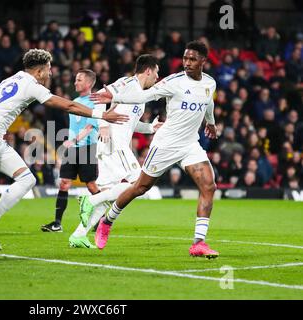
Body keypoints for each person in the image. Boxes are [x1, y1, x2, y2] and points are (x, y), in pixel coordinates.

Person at [0, 49, 128, 251]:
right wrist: (101, 116)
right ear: (39, 70)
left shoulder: (11, 79)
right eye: (48, 70)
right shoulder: (32, 85)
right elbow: (67, 106)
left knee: (27, 179)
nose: (50, 74)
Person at [90, 41, 219, 259]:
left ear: (203, 61)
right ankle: (107, 220)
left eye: (192, 59)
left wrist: (211, 122)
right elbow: (144, 96)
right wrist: (115, 97)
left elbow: (208, 104)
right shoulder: (174, 82)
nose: (186, 63)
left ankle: (198, 243)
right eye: (185, 58)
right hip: (166, 144)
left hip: (189, 144)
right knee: (140, 187)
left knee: (209, 185)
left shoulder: (210, 83)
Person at [70, 54, 163, 248]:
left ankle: (78, 235)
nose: (157, 77)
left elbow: (132, 124)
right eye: (156, 72)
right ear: (148, 70)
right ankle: (91, 199)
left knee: (109, 196)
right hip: (113, 143)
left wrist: (150, 128)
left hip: (114, 145)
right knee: (137, 183)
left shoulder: (140, 96)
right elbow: (100, 98)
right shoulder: (127, 82)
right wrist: (103, 123)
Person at [41, 69, 100, 233]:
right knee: (64, 183)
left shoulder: (94, 102)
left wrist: (74, 140)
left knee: (91, 185)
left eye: (79, 80)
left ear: (88, 83)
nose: (75, 82)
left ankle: (102, 219)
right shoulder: (74, 101)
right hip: (73, 149)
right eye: (76, 79)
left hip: (87, 148)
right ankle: (57, 223)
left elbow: (90, 127)